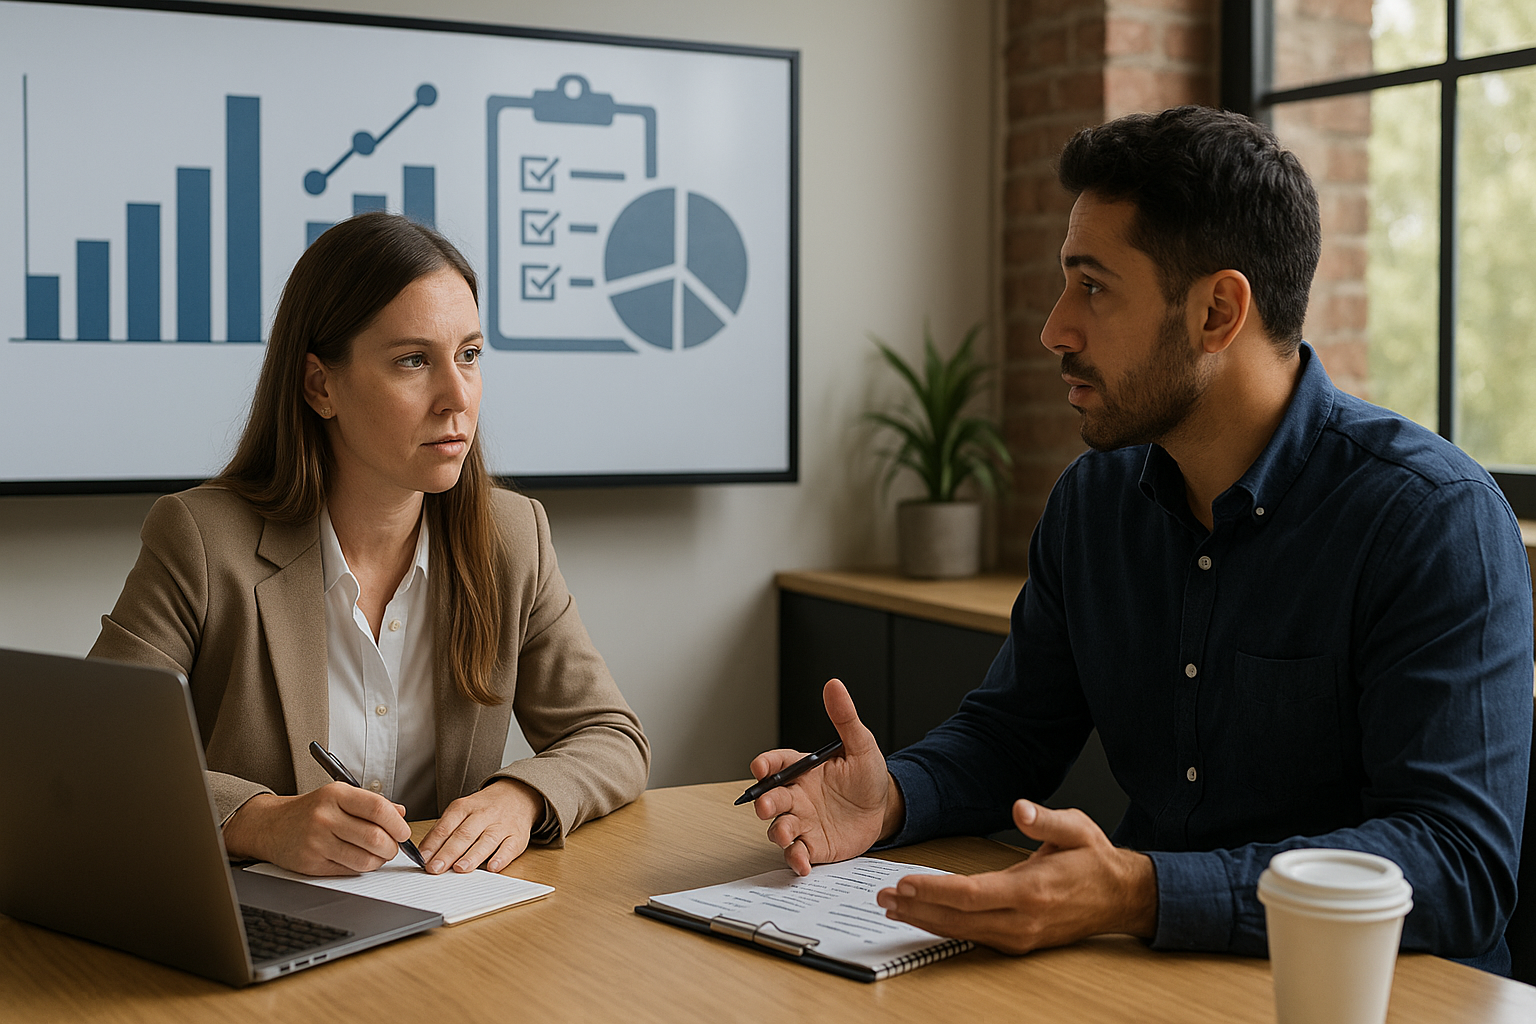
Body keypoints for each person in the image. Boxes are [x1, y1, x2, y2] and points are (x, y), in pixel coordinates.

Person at [749, 107, 1533, 973]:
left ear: (1217, 311)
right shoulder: (1095, 502)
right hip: (1145, 976)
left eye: (1093, 286)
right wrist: (890, 798)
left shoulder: (1430, 519)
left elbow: (1458, 867)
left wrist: (1140, 891)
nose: (1054, 328)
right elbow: (1013, 733)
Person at [91, 212, 649, 878]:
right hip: (263, 926)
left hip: (445, 929)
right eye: (413, 360)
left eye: (469, 355)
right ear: (320, 386)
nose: (456, 398)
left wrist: (522, 795)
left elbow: (612, 738)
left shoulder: (512, 536)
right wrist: (260, 822)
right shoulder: (204, 539)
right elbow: (98, 755)